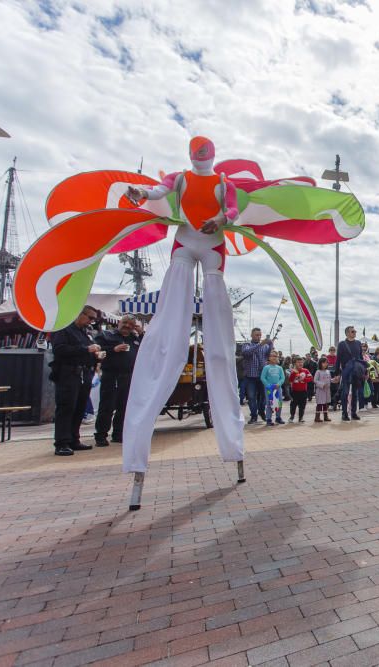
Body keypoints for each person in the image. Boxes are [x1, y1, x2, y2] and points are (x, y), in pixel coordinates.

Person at [121, 137, 245, 474]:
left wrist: (221, 220)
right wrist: (140, 191)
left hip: (213, 245)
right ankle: (137, 440)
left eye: (204, 153)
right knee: (170, 312)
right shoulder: (179, 177)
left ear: (212, 155)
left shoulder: (223, 183)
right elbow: (159, 191)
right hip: (186, 241)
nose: (201, 157)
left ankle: (232, 441)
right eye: (197, 153)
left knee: (219, 335)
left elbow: (233, 209)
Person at [51, 305, 103, 456]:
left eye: (93, 319)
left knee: (79, 408)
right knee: (66, 408)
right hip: (68, 374)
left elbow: (86, 351)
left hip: (83, 373)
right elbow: (59, 350)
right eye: (90, 317)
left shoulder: (84, 332)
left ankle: (74, 439)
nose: (91, 322)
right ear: (80, 314)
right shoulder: (63, 329)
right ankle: (61, 443)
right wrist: (86, 350)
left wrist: (96, 356)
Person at [94, 315, 141, 446]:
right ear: (119, 322)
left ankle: (118, 434)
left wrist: (141, 333)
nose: (127, 326)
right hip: (111, 375)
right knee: (107, 406)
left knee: (124, 406)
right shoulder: (106, 335)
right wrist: (113, 350)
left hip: (128, 376)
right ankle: (101, 435)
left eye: (131, 324)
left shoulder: (134, 338)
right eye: (125, 323)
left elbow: (146, 348)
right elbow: (97, 351)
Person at [241, 328, 273, 424]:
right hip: (250, 376)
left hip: (262, 376)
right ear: (251, 335)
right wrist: (261, 344)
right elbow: (247, 352)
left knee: (263, 396)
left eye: (260, 335)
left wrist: (270, 344)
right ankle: (254, 416)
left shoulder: (265, 346)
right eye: (256, 335)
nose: (258, 337)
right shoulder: (246, 345)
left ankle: (261, 411)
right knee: (251, 397)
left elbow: (268, 355)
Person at [335, 325, 364, 421]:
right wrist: (337, 373)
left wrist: (365, 370)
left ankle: (353, 413)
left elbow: (361, 358)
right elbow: (338, 359)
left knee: (355, 393)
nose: (355, 333)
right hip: (346, 371)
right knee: (345, 393)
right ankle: (344, 414)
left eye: (355, 331)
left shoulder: (358, 343)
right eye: (352, 331)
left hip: (357, 371)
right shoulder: (342, 344)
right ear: (347, 333)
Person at [260, 351, 285, 425]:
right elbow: (262, 378)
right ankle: (269, 419)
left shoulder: (279, 368)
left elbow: (282, 378)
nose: (274, 357)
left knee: (279, 403)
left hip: (278, 388)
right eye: (272, 356)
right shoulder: (266, 367)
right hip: (269, 389)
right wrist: (268, 385)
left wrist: (279, 384)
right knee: (269, 403)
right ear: (269, 358)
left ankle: (278, 417)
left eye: (276, 356)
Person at [288, 357, 312, 423]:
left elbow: (310, 378)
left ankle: (301, 417)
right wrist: (293, 373)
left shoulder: (306, 370)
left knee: (302, 405)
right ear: (295, 363)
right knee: (293, 405)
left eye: (301, 362)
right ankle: (292, 416)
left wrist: (303, 379)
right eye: (298, 362)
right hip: (294, 391)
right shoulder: (293, 371)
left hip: (303, 391)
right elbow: (290, 380)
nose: (300, 363)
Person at [313, 358, 333, 422]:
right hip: (320, 390)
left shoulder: (328, 371)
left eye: (326, 363)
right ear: (320, 363)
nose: (325, 364)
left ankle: (325, 416)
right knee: (319, 404)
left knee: (325, 404)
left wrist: (334, 380)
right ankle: (317, 417)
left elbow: (330, 379)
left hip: (327, 390)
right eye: (324, 363)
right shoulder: (318, 371)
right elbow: (315, 380)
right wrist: (322, 384)